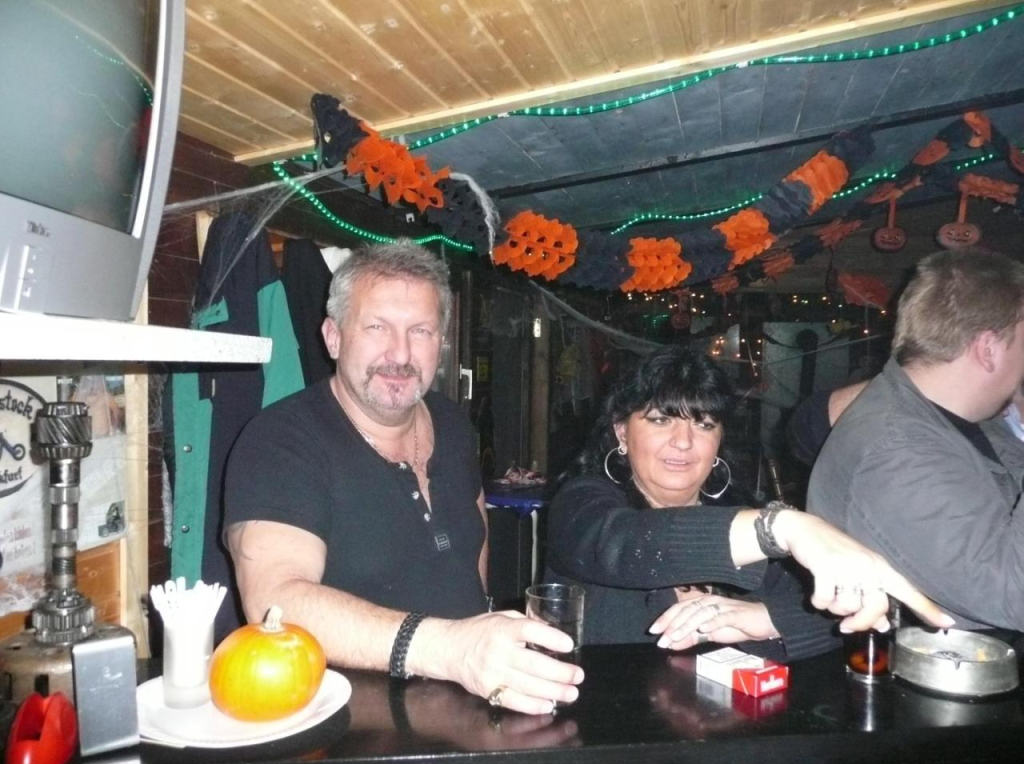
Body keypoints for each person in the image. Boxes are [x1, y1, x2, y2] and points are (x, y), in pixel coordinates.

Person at [224, 240, 582, 715]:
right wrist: (451, 649)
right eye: (377, 327)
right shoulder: (281, 440)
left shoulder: (452, 423)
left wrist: (482, 637)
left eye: (421, 331)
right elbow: (274, 603)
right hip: (350, 724)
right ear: (333, 337)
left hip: (472, 705)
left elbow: (471, 553)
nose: (400, 352)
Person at [545, 346, 952, 659]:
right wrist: (781, 527)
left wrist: (768, 619)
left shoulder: (738, 511)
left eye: (704, 423)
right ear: (622, 432)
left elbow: (835, 617)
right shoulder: (581, 503)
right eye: (661, 419)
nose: (683, 441)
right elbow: (621, 545)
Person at [809, 248, 1024, 632]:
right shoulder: (897, 448)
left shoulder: (969, 419)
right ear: (988, 349)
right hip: (955, 663)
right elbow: (1015, 598)